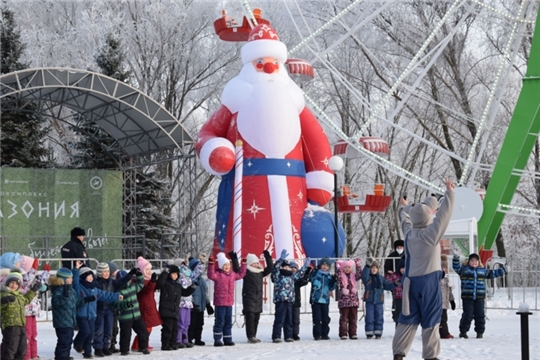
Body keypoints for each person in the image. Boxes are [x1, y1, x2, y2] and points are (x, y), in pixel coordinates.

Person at [195, 23, 334, 259]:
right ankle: (241, 275)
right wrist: (215, 151)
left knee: (295, 235)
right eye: (260, 62)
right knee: (248, 238)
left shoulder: (294, 101)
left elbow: (316, 140)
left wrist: (320, 174)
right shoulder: (236, 98)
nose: (269, 67)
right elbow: (206, 134)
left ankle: (295, 273)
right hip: (246, 182)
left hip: (294, 185)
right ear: (250, 65)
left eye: (274, 62)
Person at [392, 178, 455, 360]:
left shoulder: (409, 234)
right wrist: (449, 192)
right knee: (431, 319)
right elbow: (444, 216)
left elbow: (404, 219)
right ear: (429, 216)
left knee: (407, 317)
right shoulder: (431, 235)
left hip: (410, 282)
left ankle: (399, 352)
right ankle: (431, 355)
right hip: (428, 282)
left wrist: (402, 206)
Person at [453, 253, 506, 339]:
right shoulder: (464, 271)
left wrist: (503, 270)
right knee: (468, 314)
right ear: (469, 262)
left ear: (478, 262)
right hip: (467, 297)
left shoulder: (482, 271)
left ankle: (480, 331)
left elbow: (493, 273)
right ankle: (463, 331)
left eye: (476, 261)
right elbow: (456, 267)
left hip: (479, 297)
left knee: (480, 314)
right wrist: (456, 258)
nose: (474, 262)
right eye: (472, 261)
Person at [72, 266, 121, 359]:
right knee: (85, 331)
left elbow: (105, 295)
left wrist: (116, 296)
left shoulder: (94, 289)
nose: (90, 278)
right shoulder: (79, 287)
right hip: (81, 315)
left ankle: (87, 353)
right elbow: (75, 281)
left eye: (91, 276)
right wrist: (76, 269)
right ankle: (77, 343)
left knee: (90, 335)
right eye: (88, 276)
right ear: (82, 277)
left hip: (92, 315)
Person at [207, 252, 247, 347]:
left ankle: (228, 339)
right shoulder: (217, 274)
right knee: (220, 321)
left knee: (228, 322)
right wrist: (211, 264)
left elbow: (241, 274)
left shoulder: (232, 275)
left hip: (229, 303)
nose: (227, 266)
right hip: (220, 303)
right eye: (225, 265)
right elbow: (210, 275)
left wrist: (244, 264)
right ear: (221, 266)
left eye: (228, 265)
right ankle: (217, 339)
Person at [0, 269, 40, 360]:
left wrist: (33, 290)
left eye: (16, 283)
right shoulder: (3, 294)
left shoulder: (19, 296)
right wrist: (3, 301)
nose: (14, 285)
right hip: (10, 326)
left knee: (22, 350)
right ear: (7, 283)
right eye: (12, 283)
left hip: (21, 325)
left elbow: (26, 300)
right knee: (10, 349)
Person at [271, 250, 309, 343]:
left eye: (288, 267)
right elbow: (275, 268)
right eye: (285, 267)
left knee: (289, 319)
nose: (287, 268)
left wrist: (305, 266)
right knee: (279, 318)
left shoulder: (292, 276)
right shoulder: (278, 275)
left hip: (290, 300)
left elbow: (300, 274)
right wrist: (280, 260)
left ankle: (288, 336)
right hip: (280, 300)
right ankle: (276, 336)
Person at [114, 268, 150, 356]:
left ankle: (143, 347)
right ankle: (124, 350)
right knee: (126, 334)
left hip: (136, 315)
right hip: (125, 317)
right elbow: (117, 305)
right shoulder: (118, 291)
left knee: (143, 332)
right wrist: (126, 305)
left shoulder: (133, 286)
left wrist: (139, 274)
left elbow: (141, 284)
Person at [20, 255, 49, 360]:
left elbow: (40, 283)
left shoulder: (30, 279)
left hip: (32, 312)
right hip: (25, 312)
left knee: (33, 335)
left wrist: (46, 273)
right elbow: (27, 279)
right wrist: (34, 269)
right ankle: (26, 356)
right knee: (27, 336)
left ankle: (33, 354)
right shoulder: (21, 278)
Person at [242, 251, 273, 343]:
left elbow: (270, 268)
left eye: (256, 263)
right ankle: (250, 336)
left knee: (256, 318)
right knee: (250, 318)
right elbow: (237, 269)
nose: (255, 265)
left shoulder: (261, 272)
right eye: (253, 263)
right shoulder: (246, 272)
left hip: (258, 299)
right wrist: (235, 259)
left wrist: (268, 258)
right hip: (249, 298)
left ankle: (254, 335)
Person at [361, 259, 397, 339]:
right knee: (369, 316)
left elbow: (388, 286)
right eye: (372, 268)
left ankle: (378, 332)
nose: (374, 270)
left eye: (375, 268)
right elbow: (364, 276)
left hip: (379, 301)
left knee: (379, 316)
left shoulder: (381, 279)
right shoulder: (368, 278)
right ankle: (369, 332)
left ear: (378, 269)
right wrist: (367, 266)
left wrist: (395, 284)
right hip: (370, 300)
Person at [49, 267, 80, 360]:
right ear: (63, 279)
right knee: (64, 340)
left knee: (68, 340)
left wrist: (85, 301)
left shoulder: (71, 290)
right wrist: (64, 296)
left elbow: (74, 303)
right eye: (69, 278)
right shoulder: (58, 290)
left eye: (71, 278)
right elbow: (57, 303)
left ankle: (64, 355)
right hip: (62, 321)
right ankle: (61, 357)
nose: (71, 280)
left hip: (69, 320)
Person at [131, 257, 161, 352]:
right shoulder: (140, 281)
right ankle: (138, 344)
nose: (149, 271)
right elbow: (146, 291)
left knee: (149, 327)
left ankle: (141, 343)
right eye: (146, 269)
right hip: (144, 307)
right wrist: (152, 282)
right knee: (145, 328)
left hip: (149, 306)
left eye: (149, 269)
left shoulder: (147, 279)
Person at [176, 256, 204, 349]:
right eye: (181, 263)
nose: (183, 265)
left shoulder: (187, 273)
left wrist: (201, 263)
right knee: (181, 322)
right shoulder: (178, 275)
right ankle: (178, 340)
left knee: (187, 322)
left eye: (184, 263)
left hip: (188, 302)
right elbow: (184, 286)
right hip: (181, 302)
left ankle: (185, 339)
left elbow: (195, 273)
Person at [188, 254, 214, 346]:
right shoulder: (190, 279)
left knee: (200, 323)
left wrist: (208, 304)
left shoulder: (202, 280)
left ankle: (198, 338)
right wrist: (192, 303)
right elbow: (188, 293)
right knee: (192, 323)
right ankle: (189, 338)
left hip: (201, 306)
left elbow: (205, 293)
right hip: (193, 307)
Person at [309, 257, 337, 340]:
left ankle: (325, 334)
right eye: (323, 265)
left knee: (325, 318)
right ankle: (317, 334)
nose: (324, 267)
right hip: (316, 299)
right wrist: (315, 270)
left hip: (325, 300)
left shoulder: (329, 276)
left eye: (327, 265)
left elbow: (331, 288)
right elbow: (311, 278)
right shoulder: (316, 274)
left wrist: (334, 281)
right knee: (317, 318)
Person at [156, 265, 182, 350]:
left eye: (176, 274)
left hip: (175, 310)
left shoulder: (177, 285)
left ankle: (172, 343)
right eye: (173, 274)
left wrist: (192, 287)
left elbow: (184, 292)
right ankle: (165, 344)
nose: (174, 276)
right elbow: (159, 283)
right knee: (168, 328)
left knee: (175, 329)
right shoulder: (165, 283)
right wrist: (165, 272)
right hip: (166, 310)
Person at [335, 258, 362, 340]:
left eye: (349, 267)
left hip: (353, 301)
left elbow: (359, 274)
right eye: (345, 267)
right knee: (344, 318)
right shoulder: (341, 276)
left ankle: (353, 333)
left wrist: (358, 265)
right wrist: (338, 268)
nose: (347, 269)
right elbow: (338, 277)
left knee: (353, 318)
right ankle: (343, 333)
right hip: (344, 301)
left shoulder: (353, 275)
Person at [93, 262, 115, 357]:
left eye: (107, 271)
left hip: (109, 308)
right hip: (99, 308)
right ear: (99, 273)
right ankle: (98, 348)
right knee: (99, 329)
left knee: (109, 329)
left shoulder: (111, 281)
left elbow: (121, 282)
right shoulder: (96, 282)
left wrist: (130, 275)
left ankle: (106, 346)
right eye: (104, 272)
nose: (106, 273)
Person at [384, 239, 405, 324]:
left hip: (405, 279)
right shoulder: (391, 256)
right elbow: (386, 268)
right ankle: (395, 315)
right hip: (395, 280)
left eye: (401, 247)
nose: (399, 248)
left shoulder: (407, 255)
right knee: (396, 299)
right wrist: (390, 272)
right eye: (398, 247)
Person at [291, 261, 311, 341]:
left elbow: (304, 281)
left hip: (296, 302)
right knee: (288, 319)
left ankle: (295, 334)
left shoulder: (297, 280)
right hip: (288, 302)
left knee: (296, 319)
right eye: (291, 267)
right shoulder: (287, 277)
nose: (293, 269)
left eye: (295, 268)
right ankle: (288, 333)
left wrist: (306, 272)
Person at [440, 255, 456, 339]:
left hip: (444, 303)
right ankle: (440, 333)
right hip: (436, 303)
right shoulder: (436, 279)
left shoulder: (447, 279)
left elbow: (449, 292)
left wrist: (452, 301)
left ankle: (444, 333)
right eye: (443, 268)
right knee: (437, 319)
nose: (444, 270)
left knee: (443, 319)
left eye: (445, 268)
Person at [107, 262, 121, 354]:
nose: (117, 272)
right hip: (109, 308)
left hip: (115, 308)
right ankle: (108, 345)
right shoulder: (110, 282)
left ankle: (112, 344)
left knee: (115, 328)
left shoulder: (115, 281)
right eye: (115, 270)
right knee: (110, 328)